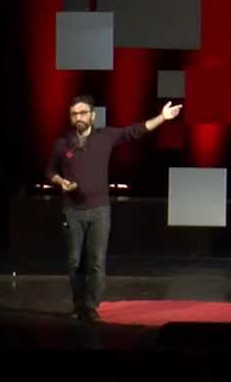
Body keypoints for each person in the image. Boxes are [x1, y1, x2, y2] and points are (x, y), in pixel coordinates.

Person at [45, 95, 182, 322]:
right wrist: (61, 182)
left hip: (99, 211)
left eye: (82, 113)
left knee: (96, 262)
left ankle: (90, 307)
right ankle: (78, 305)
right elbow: (49, 171)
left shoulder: (105, 136)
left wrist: (162, 118)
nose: (78, 117)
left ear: (92, 115)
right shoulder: (62, 143)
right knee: (74, 262)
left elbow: (134, 131)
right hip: (72, 211)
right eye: (74, 114)